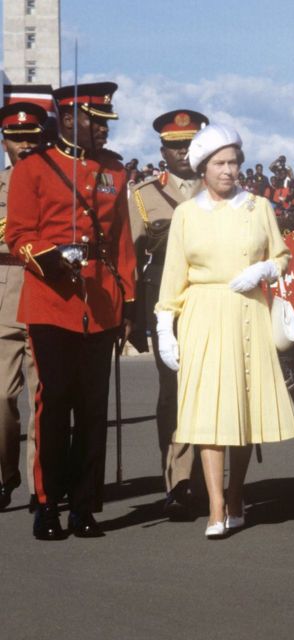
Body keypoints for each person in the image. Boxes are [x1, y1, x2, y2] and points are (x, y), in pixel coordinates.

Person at [155, 123, 294, 538]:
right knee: (207, 411)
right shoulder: (185, 214)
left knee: (241, 408)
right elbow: (172, 277)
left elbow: (283, 256)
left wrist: (265, 268)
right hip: (202, 312)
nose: (228, 170)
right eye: (219, 163)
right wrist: (166, 326)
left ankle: (236, 495)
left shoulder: (259, 207)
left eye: (234, 162)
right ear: (203, 168)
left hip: (247, 311)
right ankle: (216, 507)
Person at [5, 82, 136, 540]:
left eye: (105, 123)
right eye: (95, 121)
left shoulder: (114, 171)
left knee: (94, 408)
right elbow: (18, 233)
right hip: (50, 300)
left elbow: (120, 240)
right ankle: (47, 503)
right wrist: (52, 257)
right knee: (54, 405)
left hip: (100, 304)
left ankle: (84, 506)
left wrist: (128, 302)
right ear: (69, 117)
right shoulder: (33, 169)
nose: (102, 130)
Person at [129, 109, 209, 519]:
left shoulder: (222, 190)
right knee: (174, 393)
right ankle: (178, 481)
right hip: (167, 308)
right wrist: (130, 312)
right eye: (175, 146)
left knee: (214, 391)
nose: (182, 152)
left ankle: (213, 481)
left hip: (213, 304)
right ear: (163, 151)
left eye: (189, 144)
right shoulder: (143, 196)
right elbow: (130, 256)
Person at [0, 102, 48, 511]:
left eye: (31, 138)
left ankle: (40, 485)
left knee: (42, 399)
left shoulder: (56, 186)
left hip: (46, 294)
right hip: (2, 298)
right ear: (4, 142)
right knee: (1, 399)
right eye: (16, 139)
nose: (24, 145)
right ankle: (6, 474)